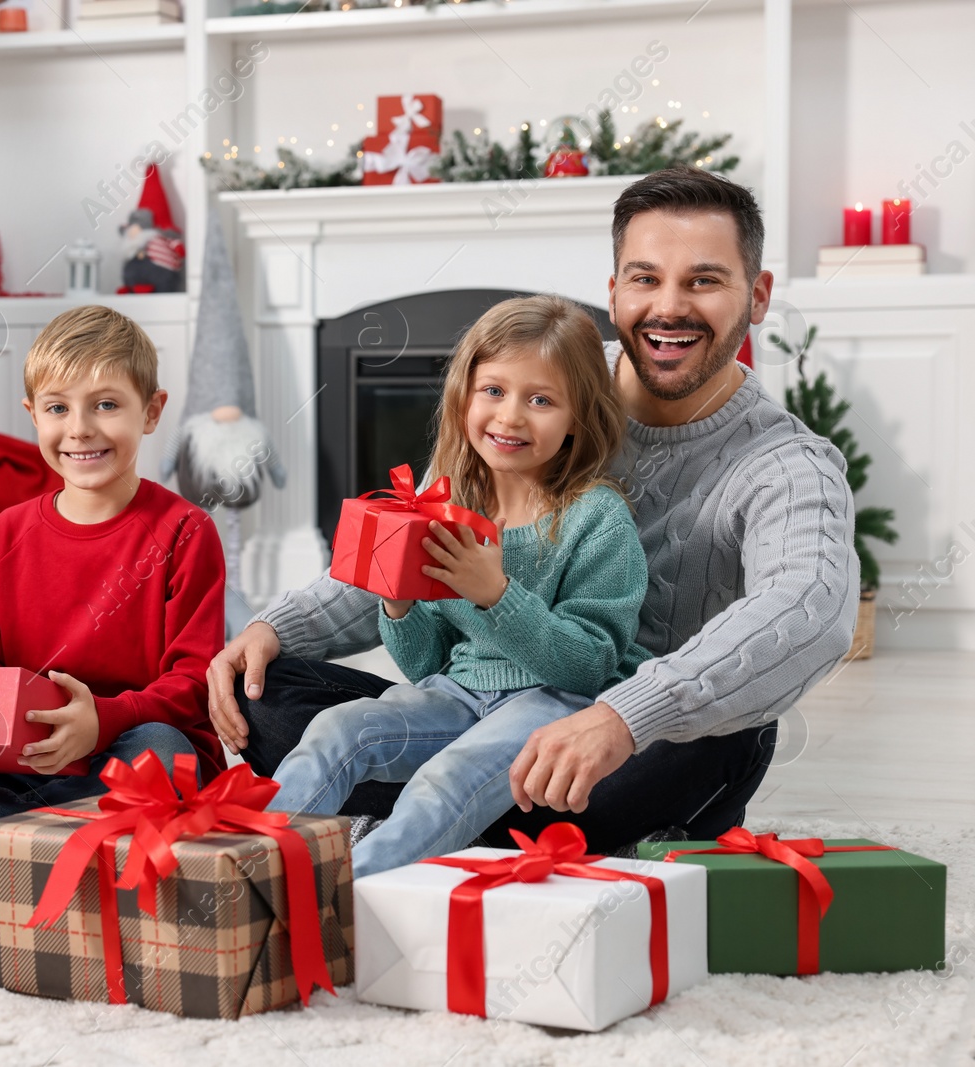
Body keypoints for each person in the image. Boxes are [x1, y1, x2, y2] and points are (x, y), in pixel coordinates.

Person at [208, 166, 860, 854]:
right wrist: (276, 627)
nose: (670, 306)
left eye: (703, 280)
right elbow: (412, 552)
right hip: (472, 712)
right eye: (645, 278)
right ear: (613, 292)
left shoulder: (786, 463)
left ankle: (434, 819)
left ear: (756, 296)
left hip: (621, 744)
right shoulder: (532, 382)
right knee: (267, 689)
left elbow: (807, 608)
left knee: (729, 735)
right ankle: (456, 818)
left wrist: (623, 716)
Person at [267, 296, 651, 876]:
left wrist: (495, 595)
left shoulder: (596, 517)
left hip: (556, 704)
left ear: (578, 415)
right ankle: (250, 860)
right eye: (493, 391)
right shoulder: (451, 505)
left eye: (541, 400)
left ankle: (341, 899)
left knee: (447, 779)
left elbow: (589, 666)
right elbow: (426, 664)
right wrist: (399, 609)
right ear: (464, 395)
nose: (511, 416)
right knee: (337, 728)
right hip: (459, 693)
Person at [0, 305, 226, 832]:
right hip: (22, 760)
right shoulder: (6, 533)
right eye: (58, 408)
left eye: (105, 405)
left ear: (150, 412)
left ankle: (1, 832)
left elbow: (195, 682)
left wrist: (102, 720)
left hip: (128, 744)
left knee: (164, 754)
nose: (79, 429)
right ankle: (61, 830)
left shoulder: (185, 530)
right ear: (34, 415)